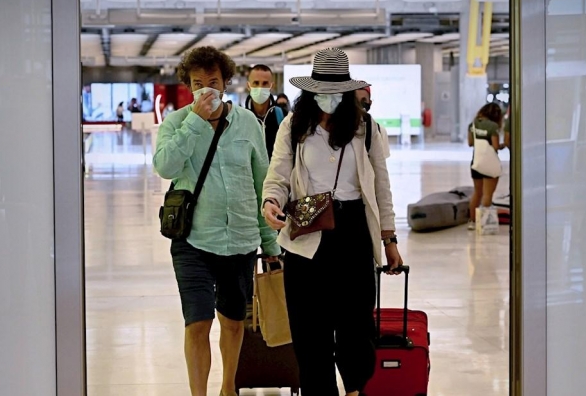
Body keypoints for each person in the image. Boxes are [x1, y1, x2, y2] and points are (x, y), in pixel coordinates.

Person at [261, 48, 404, 396]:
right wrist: (270, 202)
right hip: (307, 233)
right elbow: (278, 175)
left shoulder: (366, 128)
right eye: (322, 91)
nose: (329, 99)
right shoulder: (293, 126)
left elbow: (380, 186)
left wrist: (389, 239)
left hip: (353, 232)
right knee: (310, 333)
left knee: (356, 329)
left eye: (336, 91)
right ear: (310, 92)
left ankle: (354, 387)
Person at [153, 46, 280, 396]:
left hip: (239, 238)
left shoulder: (248, 125)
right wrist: (195, 121)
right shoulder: (177, 123)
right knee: (198, 322)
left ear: (225, 82)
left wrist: (270, 244)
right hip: (192, 239)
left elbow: (262, 183)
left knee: (234, 322)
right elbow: (165, 166)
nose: (205, 88)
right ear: (188, 85)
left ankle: (228, 389)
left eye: (212, 81)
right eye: (197, 83)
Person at [467, 102, 504, 231]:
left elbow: (470, 143)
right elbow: (495, 147)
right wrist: (503, 145)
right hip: (489, 164)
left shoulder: (473, 124)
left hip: (476, 163)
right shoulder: (493, 126)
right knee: (487, 195)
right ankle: (483, 224)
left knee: (477, 193)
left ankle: (472, 222)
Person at [244, 64, 287, 160]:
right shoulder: (240, 118)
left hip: (277, 173)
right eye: (256, 83)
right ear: (248, 86)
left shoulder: (283, 116)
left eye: (265, 83)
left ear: (272, 86)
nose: (260, 87)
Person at [355, 85, 391, 158]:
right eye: (356, 101)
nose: (359, 105)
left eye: (363, 101)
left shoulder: (380, 131)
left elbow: (380, 164)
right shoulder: (340, 129)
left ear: (370, 103)